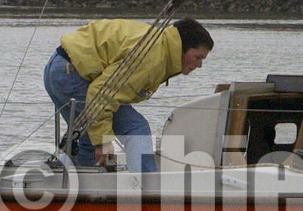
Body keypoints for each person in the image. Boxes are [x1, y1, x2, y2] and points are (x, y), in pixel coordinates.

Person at [44, 17, 213, 172]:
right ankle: (147, 188)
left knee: (87, 134)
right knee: (136, 128)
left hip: (58, 67)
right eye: (198, 57)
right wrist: (103, 141)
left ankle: (73, 181)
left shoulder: (158, 44)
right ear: (182, 48)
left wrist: (100, 138)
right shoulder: (152, 56)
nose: (199, 65)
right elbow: (101, 92)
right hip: (72, 74)